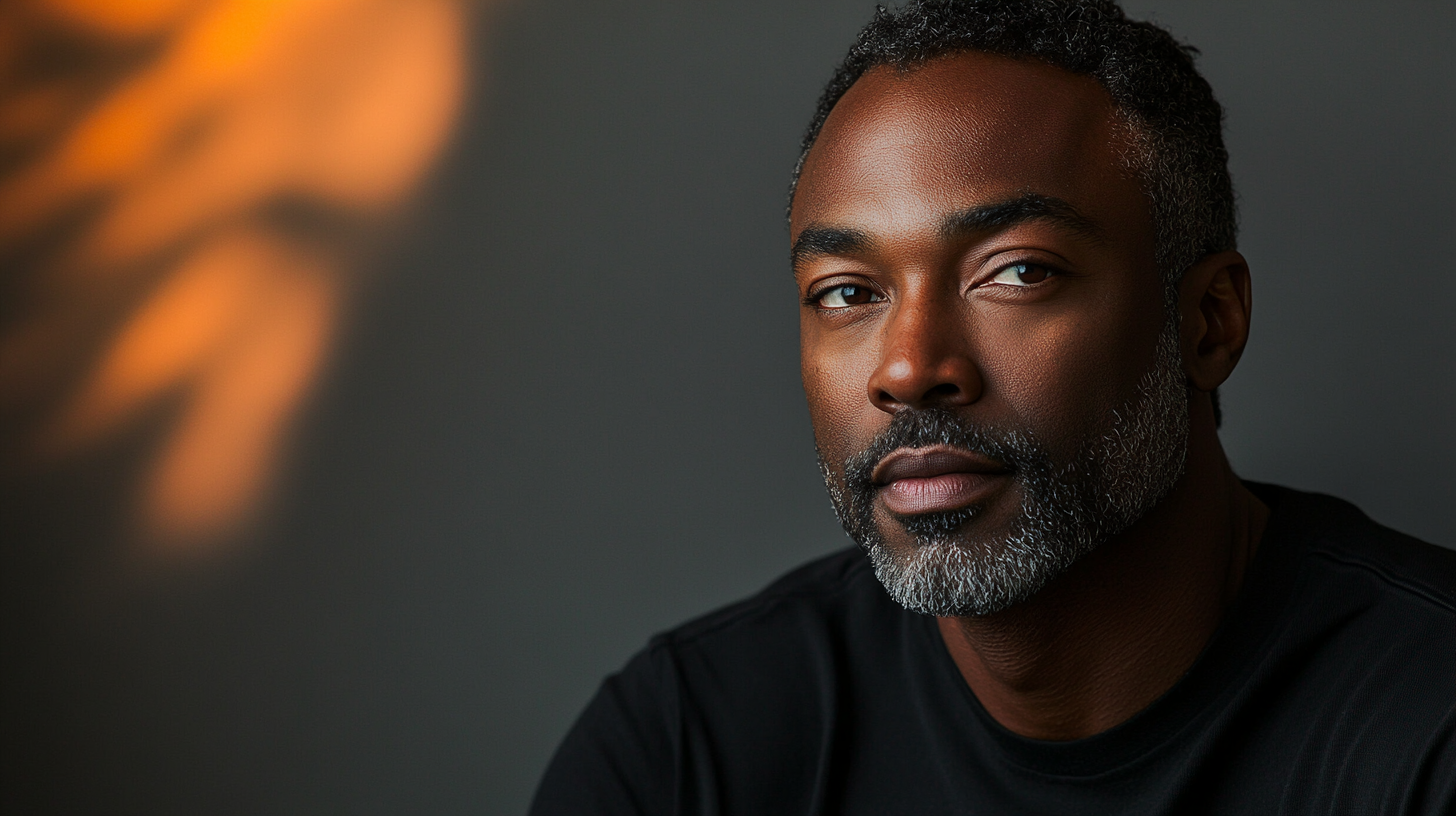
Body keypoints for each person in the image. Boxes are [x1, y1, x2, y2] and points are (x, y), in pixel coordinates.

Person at [529, 1, 1456, 813]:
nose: (907, 369)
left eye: (1017, 272)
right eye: (848, 291)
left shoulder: (1425, 723)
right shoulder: (688, 747)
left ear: (1209, 324)